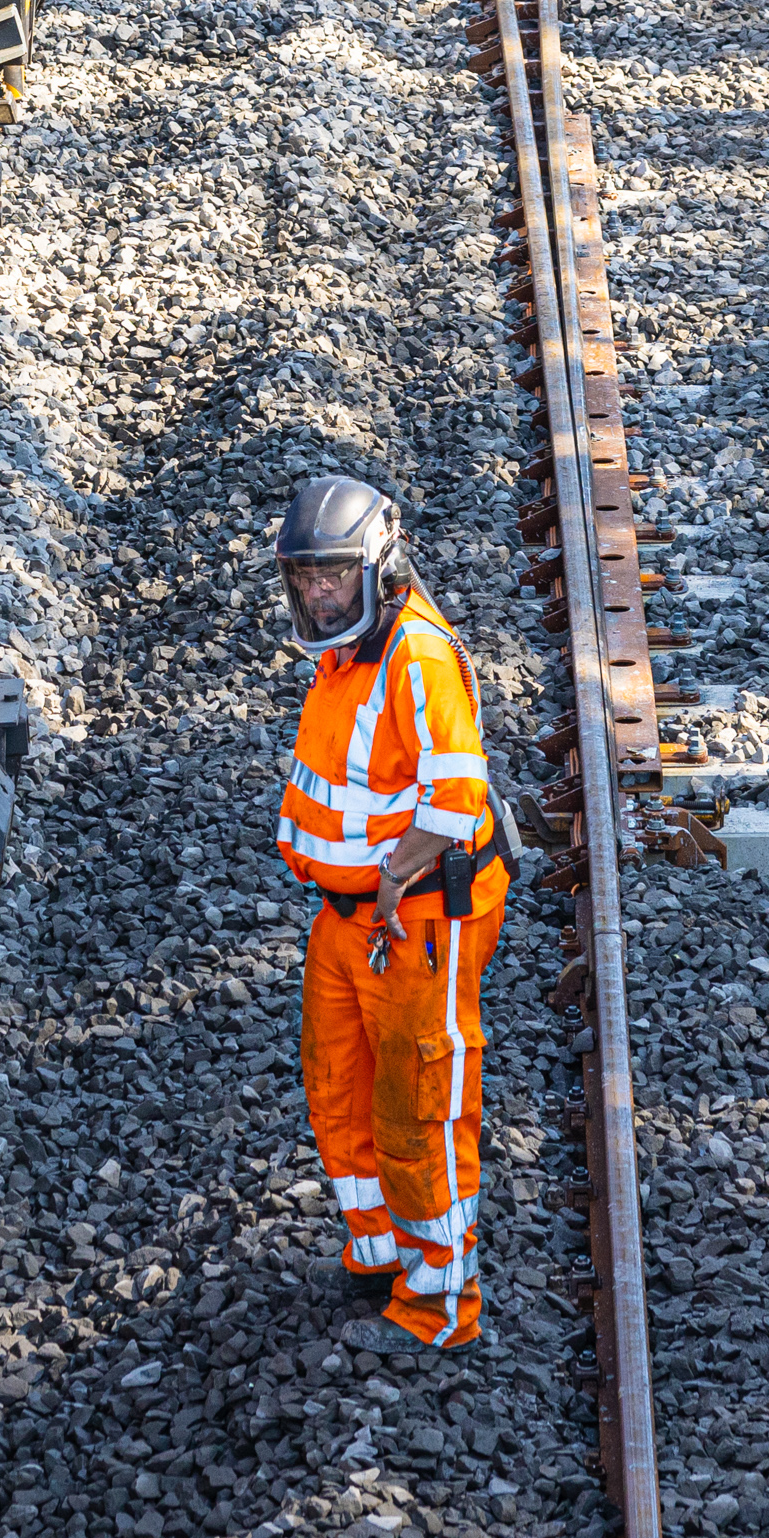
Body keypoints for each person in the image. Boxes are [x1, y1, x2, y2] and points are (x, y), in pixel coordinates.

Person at [268, 473, 505, 1355]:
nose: (315, 591)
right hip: (346, 918)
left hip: (410, 928)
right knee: (337, 1089)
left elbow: (456, 799)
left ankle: (439, 1306)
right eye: (303, 576)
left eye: (330, 574)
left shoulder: (417, 656)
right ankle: (378, 1256)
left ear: (377, 563)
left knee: (418, 1113)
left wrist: (399, 882)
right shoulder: (347, 647)